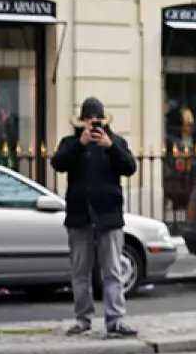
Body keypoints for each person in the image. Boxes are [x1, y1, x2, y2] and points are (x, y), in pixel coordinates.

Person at [50, 97, 138, 338]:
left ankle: (115, 320)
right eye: (89, 119)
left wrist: (111, 146)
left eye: (97, 119)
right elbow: (58, 163)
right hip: (80, 216)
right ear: (82, 121)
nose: (93, 124)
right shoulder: (70, 143)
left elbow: (129, 167)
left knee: (112, 270)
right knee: (80, 271)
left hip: (108, 216)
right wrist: (80, 144)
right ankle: (83, 319)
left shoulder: (116, 142)